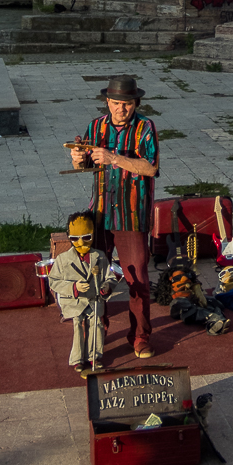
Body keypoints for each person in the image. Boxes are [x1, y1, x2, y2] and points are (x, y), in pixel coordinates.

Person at [70, 76, 159, 359]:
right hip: (101, 212)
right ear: (107, 102)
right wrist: (76, 158)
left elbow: (151, 168)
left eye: (128, 104)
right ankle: (97, 333)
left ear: (136, 104)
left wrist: (114, 158)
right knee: (95, 276)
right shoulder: (95, 127)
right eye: (117, 103)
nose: (122, 109)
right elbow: (85, 163)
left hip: (132, 214)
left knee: (138, 279)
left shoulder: (145, 127)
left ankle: (140, 336)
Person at [48, 211, 120, 372]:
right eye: (75, 238)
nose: (81, 242)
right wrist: (74, 287)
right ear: (69, 237)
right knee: (78, 327)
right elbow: (53, 282)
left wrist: (106, 288)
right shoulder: (63, 260)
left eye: (86, 237)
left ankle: (94, 356)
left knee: (96, 326)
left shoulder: (99, 256)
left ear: (93, 235)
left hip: (94, 300)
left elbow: (110, 278)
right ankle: (77, 359)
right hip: (75, 301)